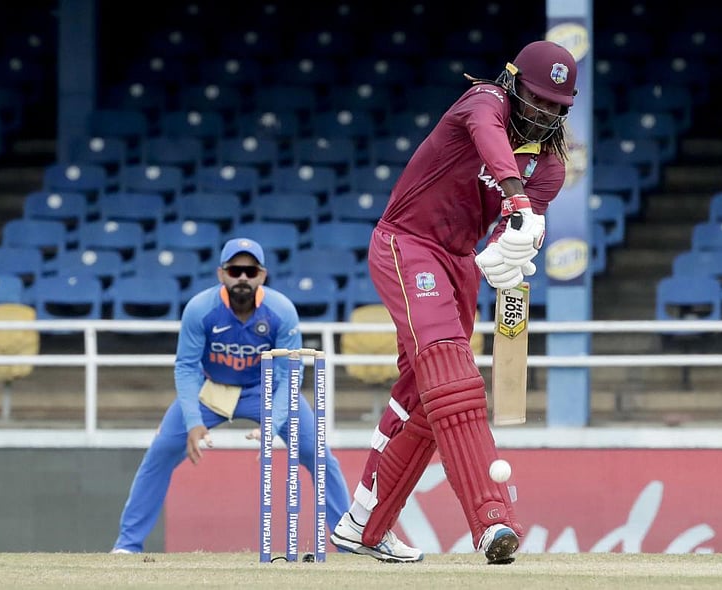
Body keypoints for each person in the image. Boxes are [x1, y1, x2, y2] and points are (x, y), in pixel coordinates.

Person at [329, 40, 577, 565]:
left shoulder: (550, 168)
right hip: (407, 243)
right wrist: (515, 195)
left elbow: (512, 230)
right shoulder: (483, 101)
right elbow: (490, 137)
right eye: (537, 98)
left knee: (427, 397)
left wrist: (511, 248)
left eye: (556, 105)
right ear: (512, 82)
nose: (544, 112)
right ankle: (492, 519)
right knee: (452, 374)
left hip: (460, 264)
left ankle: (365, 525)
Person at [111, 238, 351, 554]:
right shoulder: (200, 309)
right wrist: (193, 421)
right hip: (211, 389)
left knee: (319, 455)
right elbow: (186, 367)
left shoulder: (281, 311)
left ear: (262, 275)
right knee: (161, 451)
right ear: (221, 273)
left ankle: (349, 544)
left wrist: (273, 423)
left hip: (265, 390)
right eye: (235, 270)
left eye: (250, 271)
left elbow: (289, 376)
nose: (242, 278)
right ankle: (128, 545)